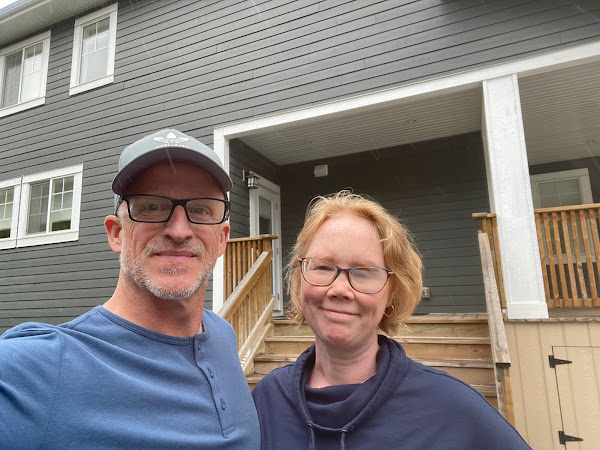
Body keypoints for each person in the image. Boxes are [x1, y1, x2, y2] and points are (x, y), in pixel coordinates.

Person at [0, 129, 260, 449]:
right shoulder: (35, 368)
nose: (179, 231)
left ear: (221, 239)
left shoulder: (223, 335)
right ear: (117, 233)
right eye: (151, 206)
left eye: (200, 210)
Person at [251, 191, 530, 449]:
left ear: (392, 292)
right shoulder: (267, 400)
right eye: (323, 267)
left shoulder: (454, 409)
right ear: (299, 279)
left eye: (363, 272)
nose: (339, 289)